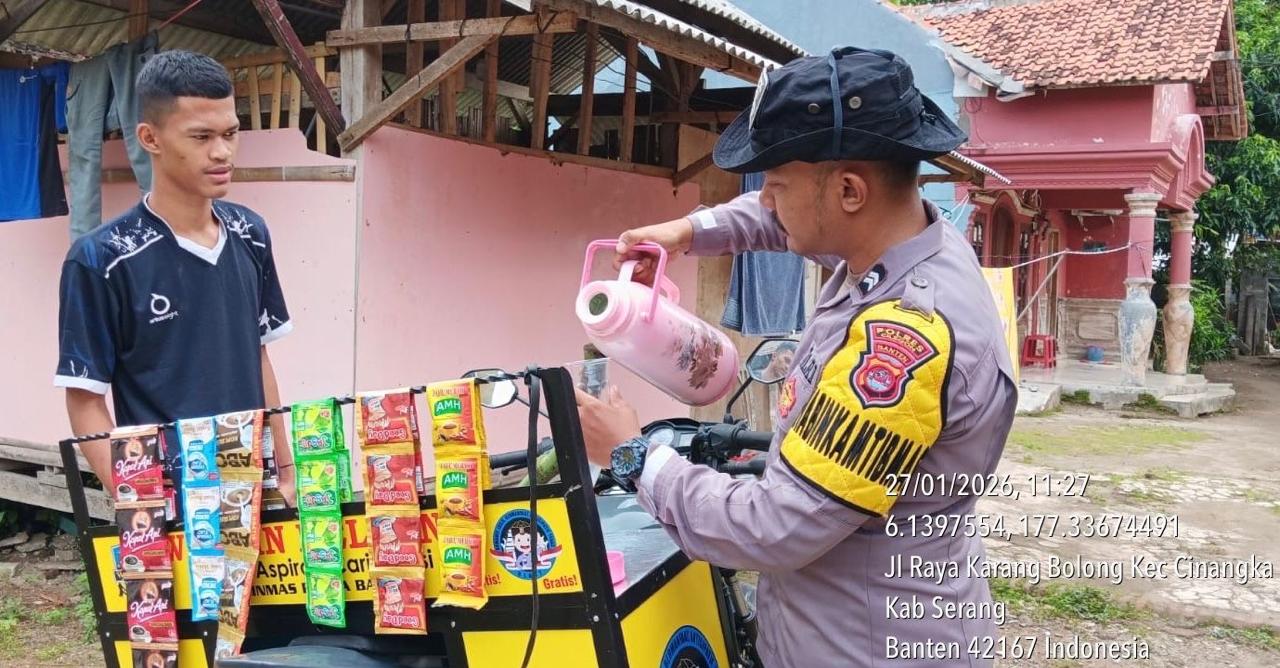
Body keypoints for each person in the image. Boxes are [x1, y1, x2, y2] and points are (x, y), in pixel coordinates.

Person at [577, 47, 1017, 667]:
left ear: (849, 190)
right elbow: (785, 223)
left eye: (776, 184)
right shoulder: (907, 237)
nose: (766, 201)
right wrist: (687, 232)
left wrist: (633, 456)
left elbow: (773, 527)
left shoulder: (903, 343)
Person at [55, 50, 295, 504]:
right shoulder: (102, 259)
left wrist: (285, 472)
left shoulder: (251, 233)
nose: (222, 152)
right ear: (150, 137)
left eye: (230, 134)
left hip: (253, 495)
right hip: (170, 503)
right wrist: (141, 503)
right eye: (201, 136)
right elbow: (85, 399)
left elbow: (258, 356)